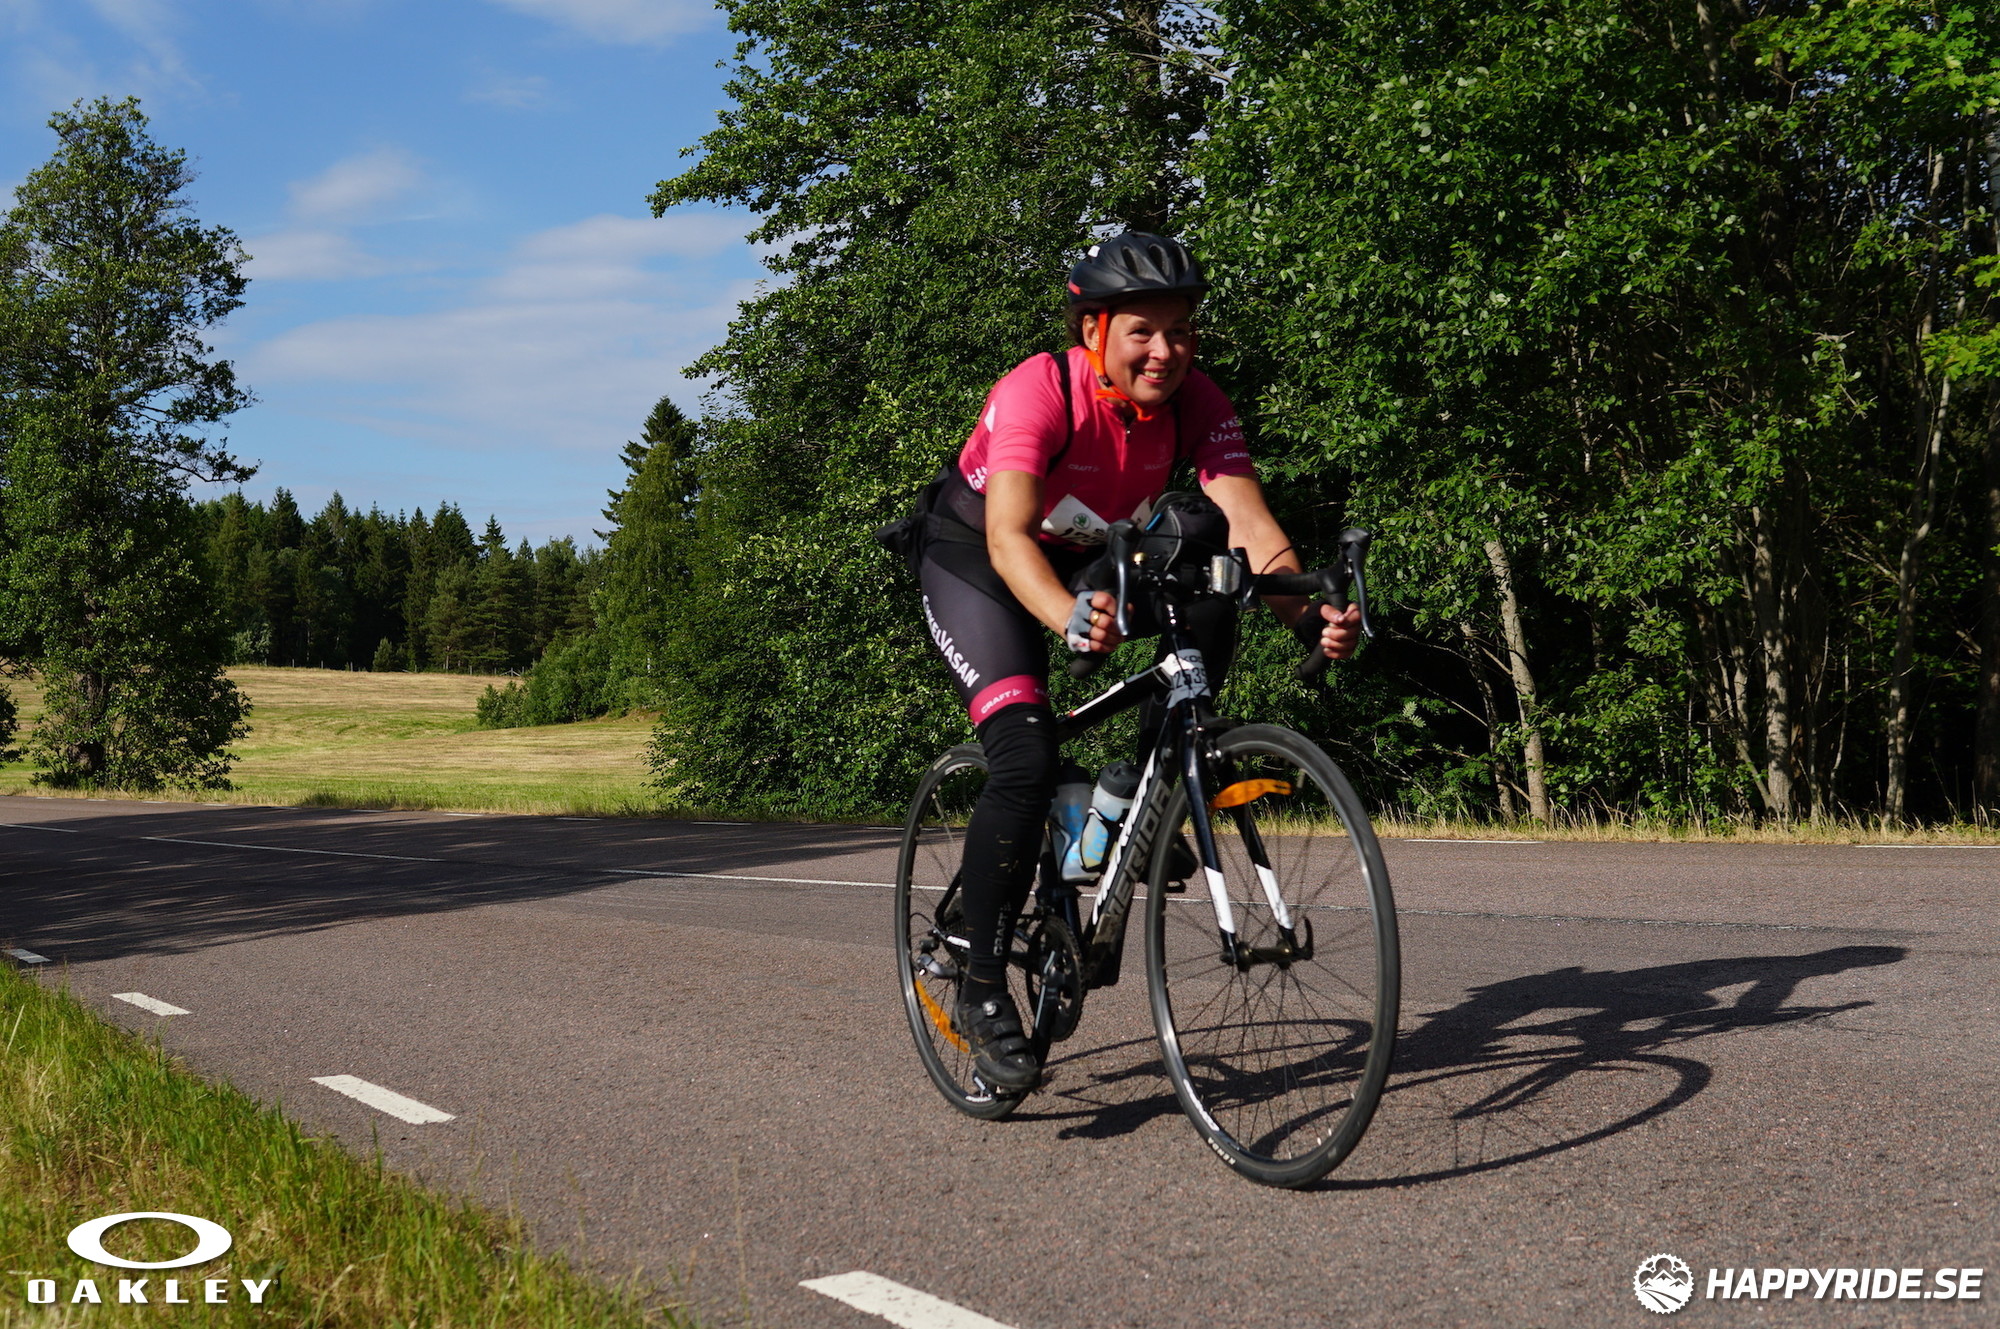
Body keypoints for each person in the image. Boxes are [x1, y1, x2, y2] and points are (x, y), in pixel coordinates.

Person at [911, 232, 1361, 1091]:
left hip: (1093, 555)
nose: (1166, 351)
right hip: (980, 560)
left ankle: (1144, 802)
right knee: (1026, 751)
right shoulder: (1039, 389)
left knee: (1211, 588)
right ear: (1093, 332)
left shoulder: (1197, 400)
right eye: (1142, 332)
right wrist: (1069, 619)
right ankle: (981, 989)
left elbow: (1248, 523)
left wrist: (1311, 617)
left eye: (1180, 331)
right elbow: (1008, 538)